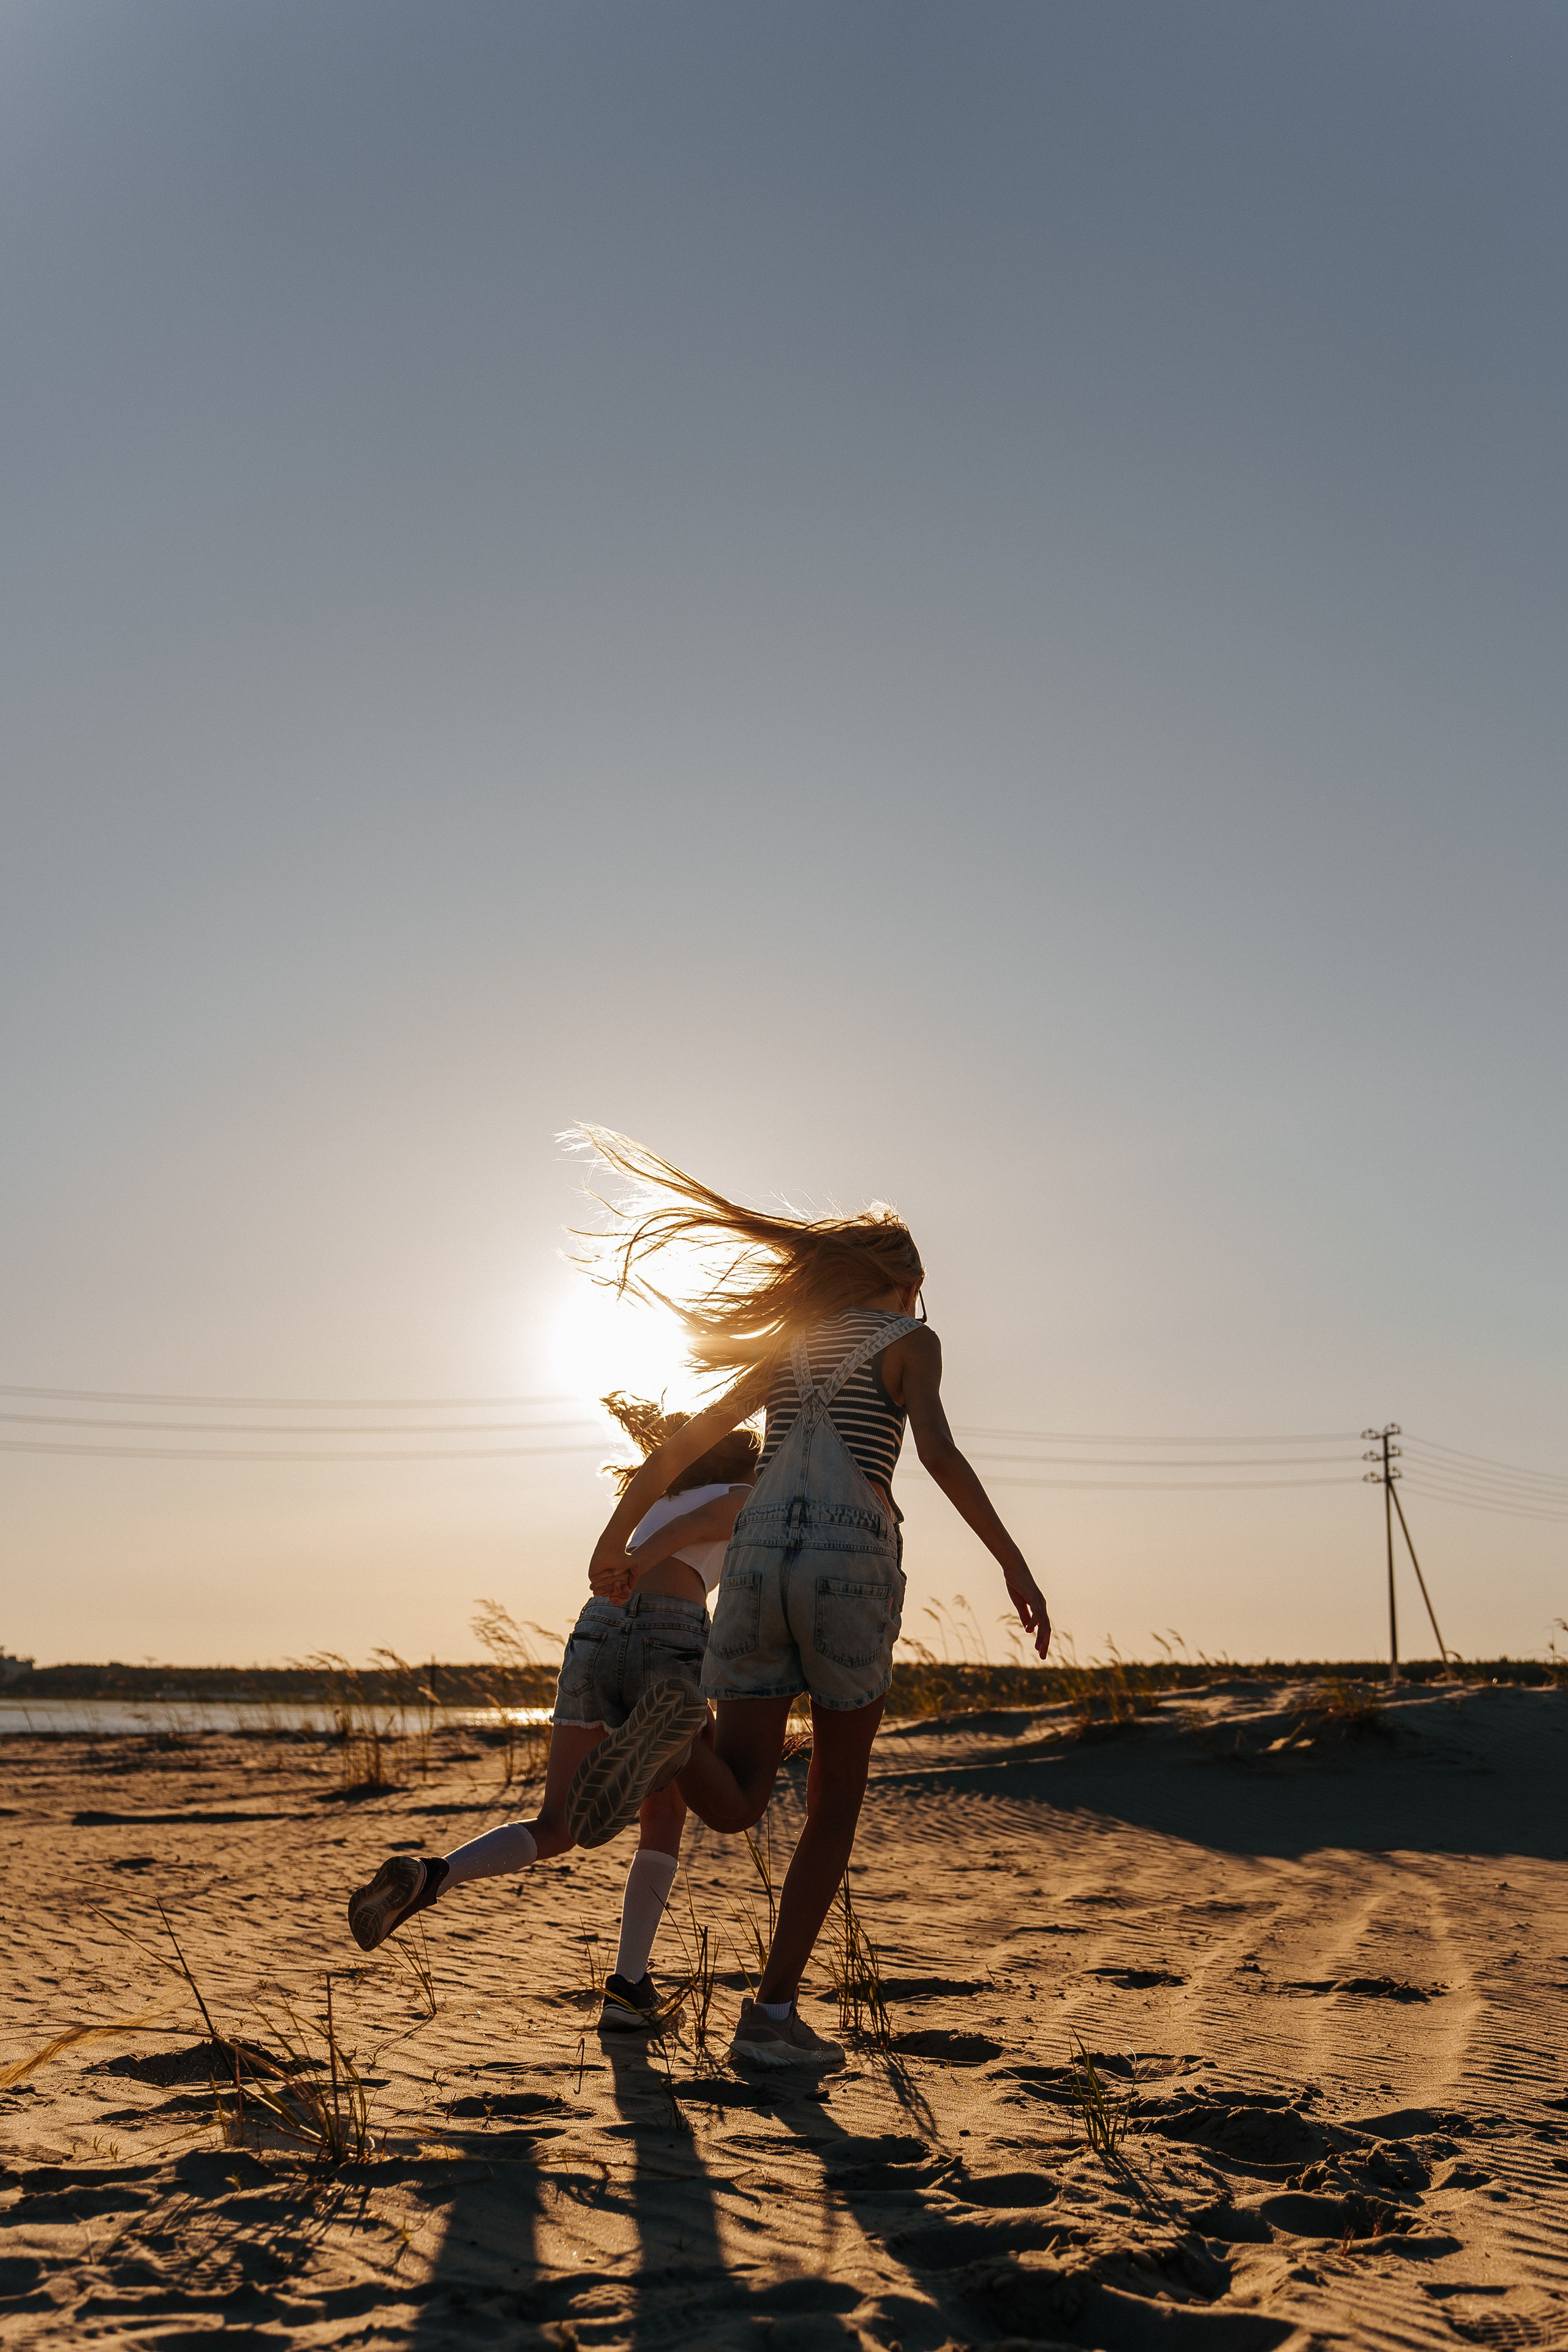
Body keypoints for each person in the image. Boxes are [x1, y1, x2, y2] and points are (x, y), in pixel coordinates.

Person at [561, 1128, 1051, 2071]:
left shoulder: (790, 1347)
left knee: (738, 1800)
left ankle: (674, 1740)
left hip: (751, 1567)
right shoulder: (911, 1341)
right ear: (902, 1279)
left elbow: (680, 1444)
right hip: (846, 1562)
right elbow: (939, 1454)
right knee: (831, 1805)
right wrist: (1012, 1560)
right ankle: (771, 2016)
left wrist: (612, 1542)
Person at [345, 1393, 759, 2035]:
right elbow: (692, 1534)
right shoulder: (740, 1493)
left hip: (594, 1633)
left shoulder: (651, 1501)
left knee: (559, 1823)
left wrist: (623, 1565)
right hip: (667, 1634)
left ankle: (435, 1876)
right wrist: (640, 1566)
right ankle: (627, 1985)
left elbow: (666, 1530)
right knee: (665, 1814)